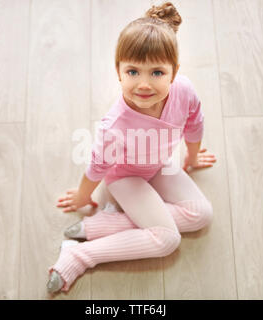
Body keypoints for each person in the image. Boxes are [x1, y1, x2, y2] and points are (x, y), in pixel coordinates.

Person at [49, 1, 217, 294]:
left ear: (174, 73)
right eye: (133, 72)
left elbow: (195, 123)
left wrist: (191, 156)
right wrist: (82, 196)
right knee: (167, 240)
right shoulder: (114, 126)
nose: (143, 84)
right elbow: (98, 167)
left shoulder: (184, 91)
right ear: (119, 71)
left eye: (157, 73)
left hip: (160, 163)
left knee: (202, 214)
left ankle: (104, 226)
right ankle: (79, 254)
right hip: (126, 178)